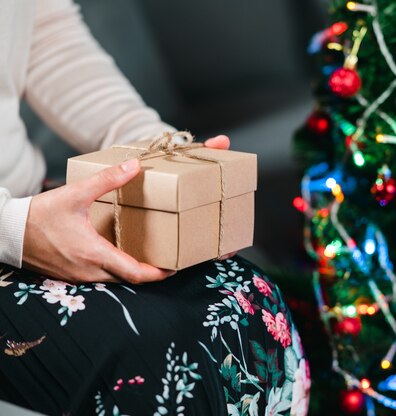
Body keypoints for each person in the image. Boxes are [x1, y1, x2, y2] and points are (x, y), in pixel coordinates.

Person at [0, 0, 309, 414]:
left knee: (247, 296)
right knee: (151, 352)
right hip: (16, 221)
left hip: (30, 196)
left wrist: (158, 148)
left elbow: (44, 31)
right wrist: (15, 229)